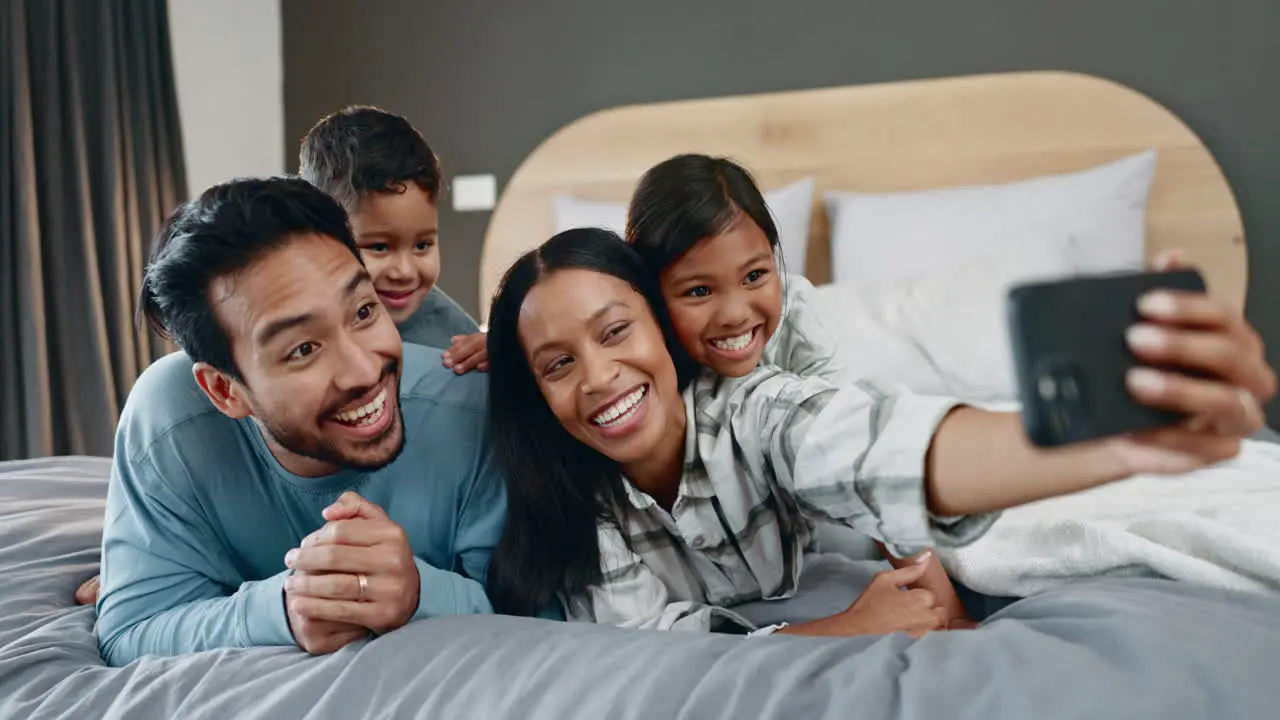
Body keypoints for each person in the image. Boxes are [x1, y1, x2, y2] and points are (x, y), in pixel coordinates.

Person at [483, 228, 1275, 638]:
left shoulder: (757, 408)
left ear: (661, 328)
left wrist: (1102, 445)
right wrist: (837, 629)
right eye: (557, 364)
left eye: (616, 332)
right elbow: (651, 643)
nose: (597, 378)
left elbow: (881, 450)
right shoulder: (571, 503)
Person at [91, 177, 507, 667]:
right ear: (226, 391)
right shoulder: (168, 420)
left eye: (363, 311)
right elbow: (130, 629)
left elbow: (539, 615)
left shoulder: (477, 412)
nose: (364, 370)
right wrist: (285, 607)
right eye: (303, 349)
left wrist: (419, 593)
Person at [625, 153, 965, 622]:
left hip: (818, 528)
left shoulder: (798, 321)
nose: (735, 313)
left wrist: (952, 617)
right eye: (699, 291)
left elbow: (863, 468)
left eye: (755, 276)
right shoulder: (635, 368)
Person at [299, 105, 489, 373]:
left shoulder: (454, 339)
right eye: (379, 247)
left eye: (422, 245)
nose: (405, 271)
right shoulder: (283, 322)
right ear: (316, 235)